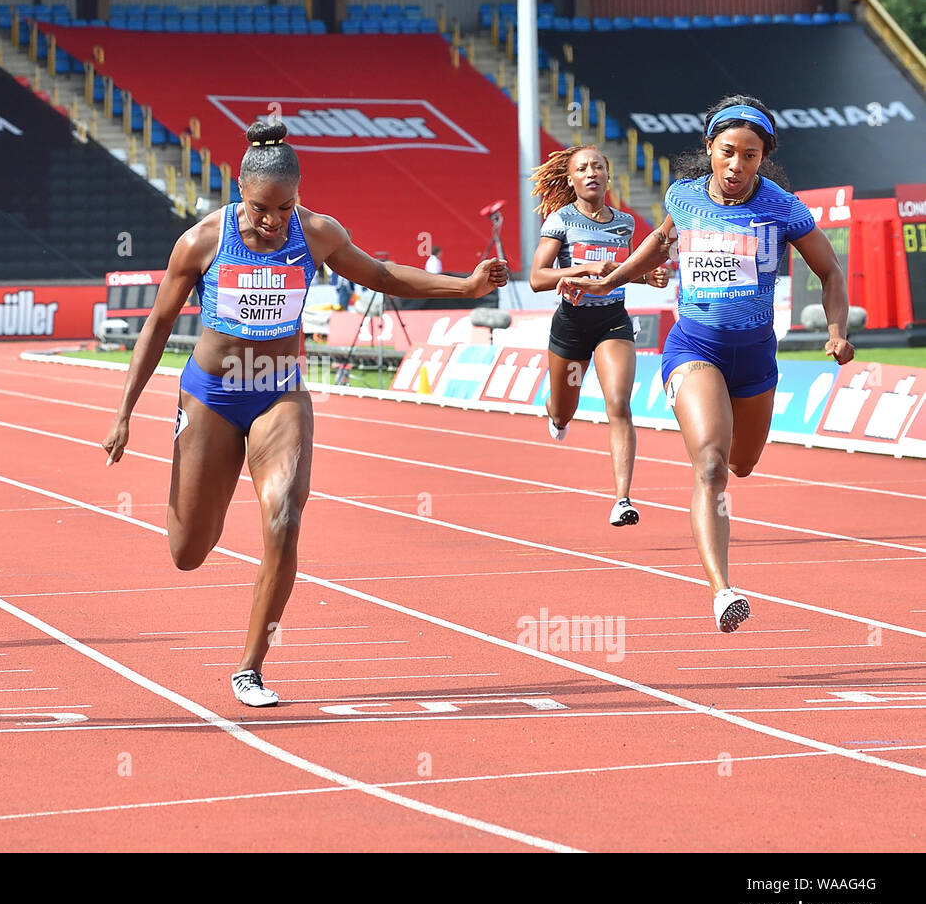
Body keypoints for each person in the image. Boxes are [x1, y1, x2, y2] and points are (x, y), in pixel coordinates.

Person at [103, 119, 507, 707]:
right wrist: (125, 412)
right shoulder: (202, 242)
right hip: (211, 394)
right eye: (263, 209)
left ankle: (250, 666)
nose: (272, 222)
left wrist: (463, 287)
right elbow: (159, 326)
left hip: (278, 392)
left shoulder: (315, 232)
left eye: (284, 207)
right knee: (188, 551)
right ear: (241, 190)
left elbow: (382, 273)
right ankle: (205, 517)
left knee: (284, 518)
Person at [558, 95, 854, 633]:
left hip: (756, 353)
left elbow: (831, 272)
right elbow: (659, 242)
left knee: (742, 464)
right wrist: (611, 278)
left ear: (764, 156)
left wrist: (837, 331)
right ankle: (722, 591)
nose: (737, 166)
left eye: (750, 155)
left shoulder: (783, 208)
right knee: (712, 467)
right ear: (709, 150)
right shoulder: (686, 197)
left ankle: (722, 564)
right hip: (695, 347)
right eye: (727, 153)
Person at [528, 144, 670, 526]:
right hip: (572, 325)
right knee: (563, 410)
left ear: (608, 176)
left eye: (597, 167)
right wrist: (584, 269)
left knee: (619, 403)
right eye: (582, 168)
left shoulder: (623, 223)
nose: (590, 173)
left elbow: (619, 273)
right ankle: (557, 414)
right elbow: (537, 278)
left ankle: (622, 499)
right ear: (571, 179)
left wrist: (648, 276)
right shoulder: (560, 220)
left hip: (613, 322)